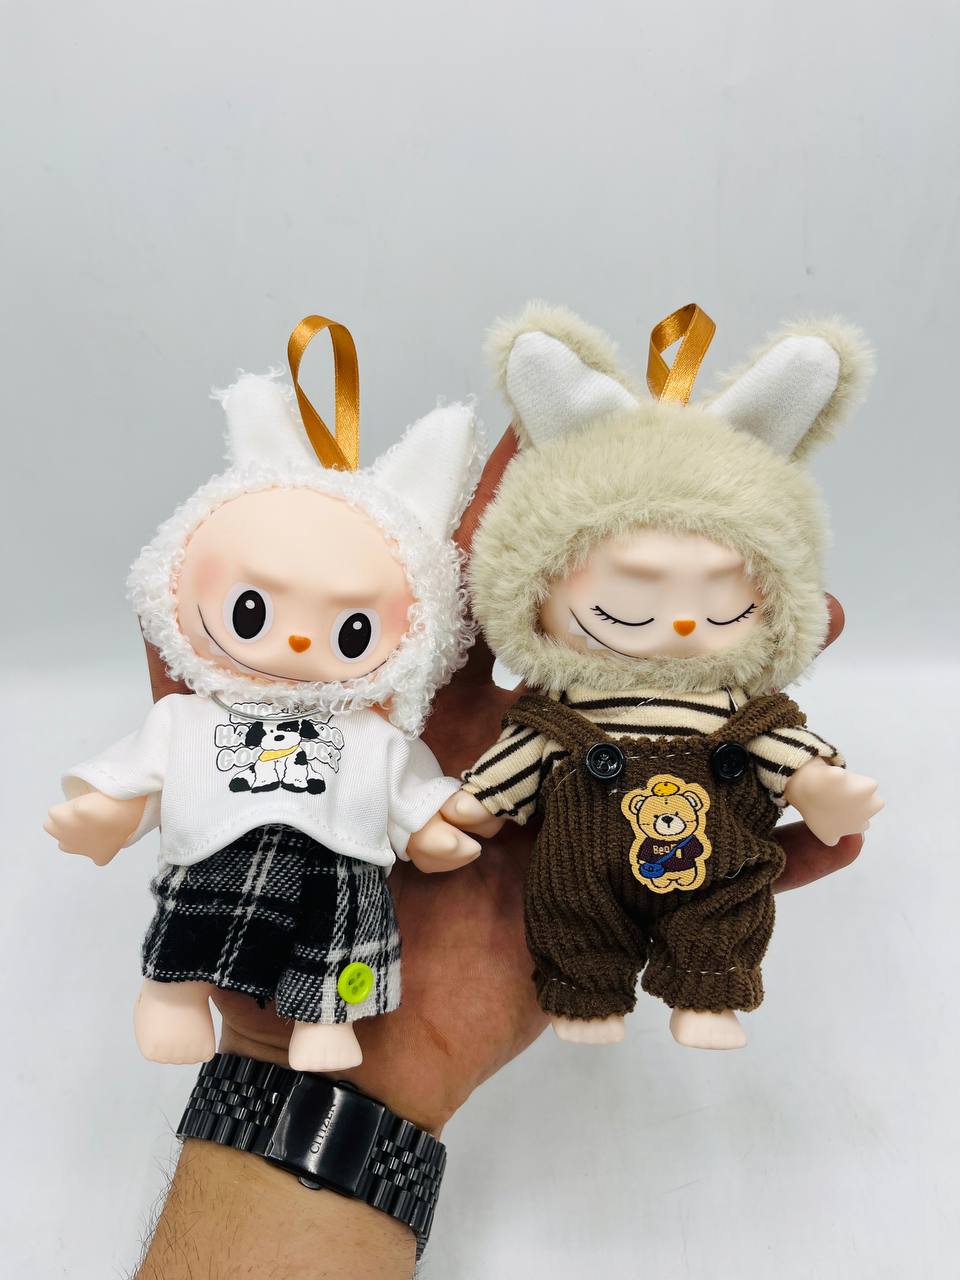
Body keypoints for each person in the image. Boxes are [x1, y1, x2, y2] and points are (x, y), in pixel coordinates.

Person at [135, 431, 863, 1280]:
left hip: (702, 851)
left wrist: (820, 784)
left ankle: (709, 995)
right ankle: (578, 995)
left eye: (723, 595)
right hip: (552, 863)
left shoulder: (743, 715)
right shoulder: (548, 718)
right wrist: (468, 808)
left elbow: (781, 747)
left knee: (720, 912)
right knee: (570, 915)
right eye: (631, 593)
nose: (678, 622)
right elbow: (512, 761)